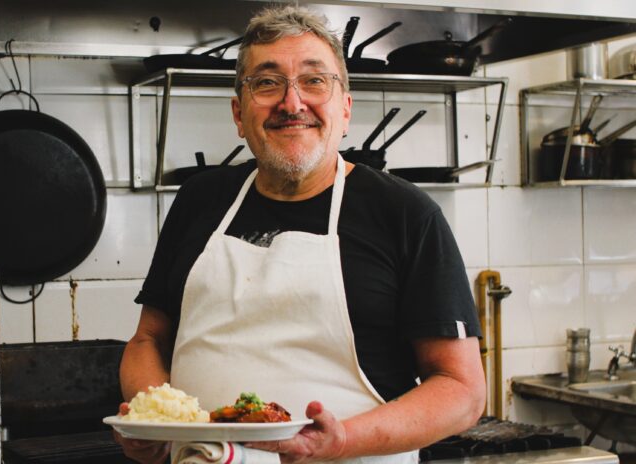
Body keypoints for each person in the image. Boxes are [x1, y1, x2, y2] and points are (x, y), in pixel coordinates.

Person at [116, 5, 486, 464]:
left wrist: (341, 441)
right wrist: (154, 417)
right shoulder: (200, 199)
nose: (292, 104)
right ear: (238, 113)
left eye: (314, 81)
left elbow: (461, 390)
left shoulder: (406, 214)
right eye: (267, 83)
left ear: (345, 108)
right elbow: (148, 341)